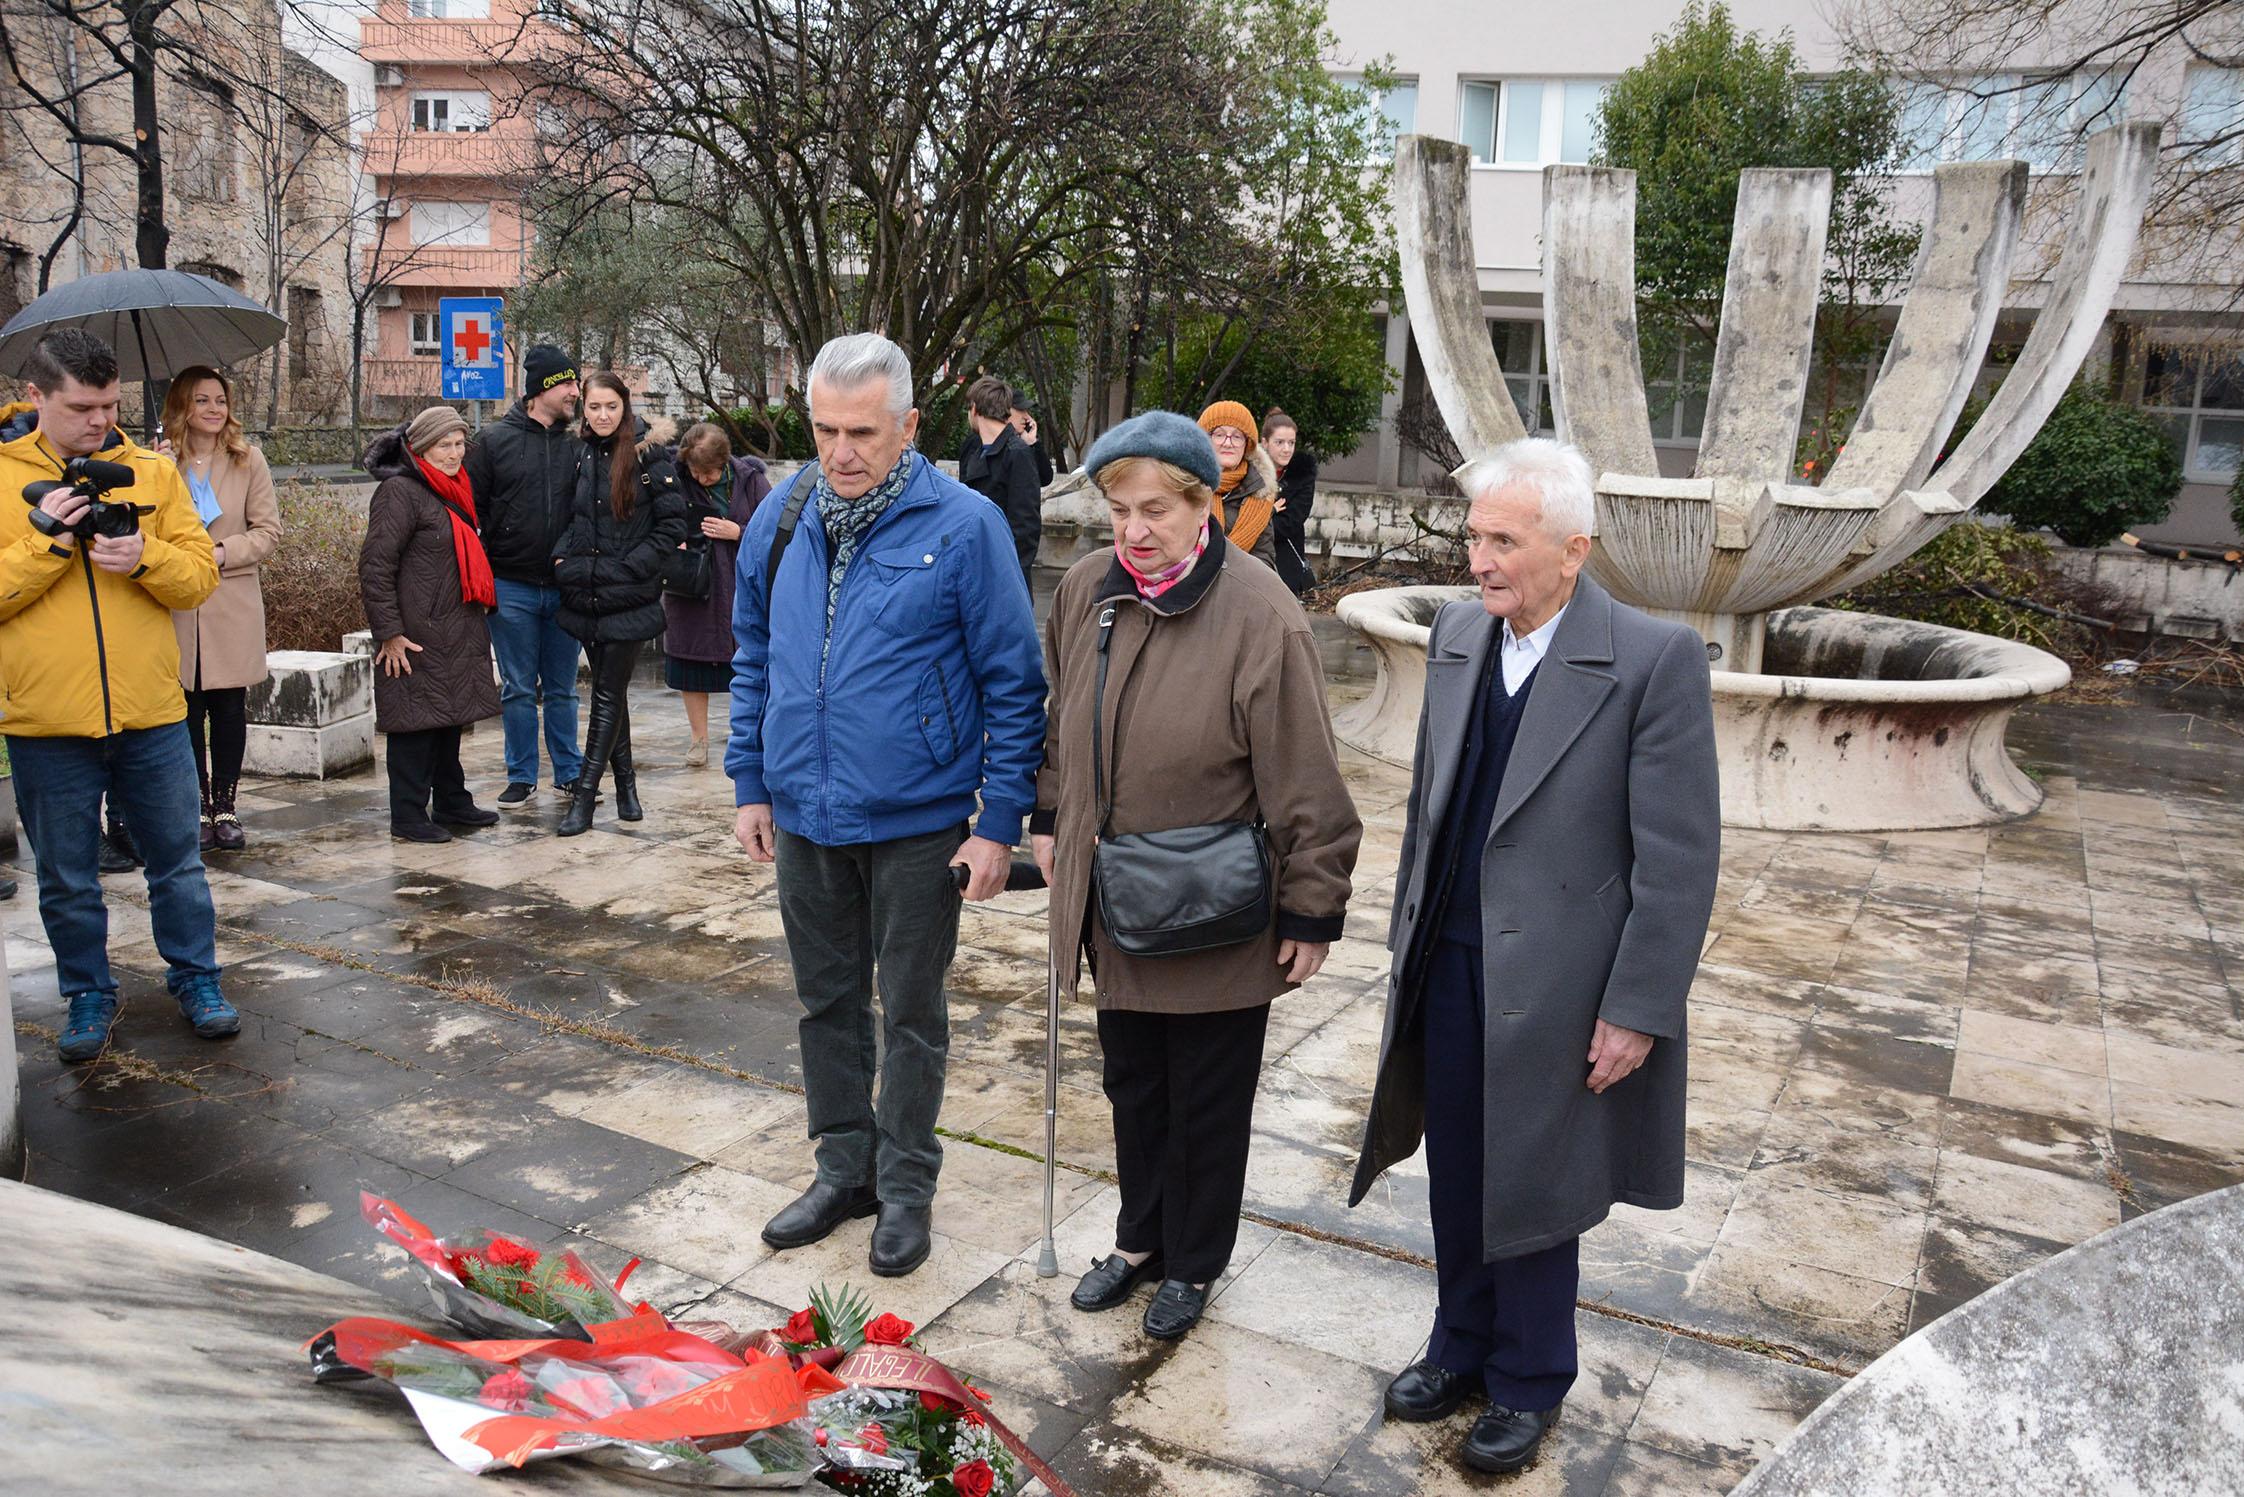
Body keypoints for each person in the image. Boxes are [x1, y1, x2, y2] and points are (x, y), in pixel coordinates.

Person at [1348, 438, 1720, 1474]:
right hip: (1452, 958)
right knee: (1458, 1165)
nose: (1480, 560)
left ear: (1572, 550)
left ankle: (1527, 1379)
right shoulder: (1462, 637)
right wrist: (1406, 941)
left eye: (1503, 540)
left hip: (1564, 981)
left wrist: (1638, 1006)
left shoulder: (1653, 659)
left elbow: (1680, 860)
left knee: (1535, 1178)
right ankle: (1458, 1345)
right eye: (1474, 536)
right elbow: (1432, 807)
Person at [1029, 410, 1360, 1341]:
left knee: (1207, 1096)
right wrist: (1053, 815)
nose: (1134, 531)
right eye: (1120, 509)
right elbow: (1063, 718)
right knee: (1133, 1084)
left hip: (1213, 905)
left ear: (1204, 505)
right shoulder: (1089, 589)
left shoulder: (1261, 611)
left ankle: (1196, 1260)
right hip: (1112, 896)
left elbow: (1307, 775)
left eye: (1156, 511)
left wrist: (1313, 904)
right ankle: (1143, 1241)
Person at [730, 332, 1044, 1278]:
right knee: (826, 1002)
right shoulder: (781, 519)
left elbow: (1014, 683)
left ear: (908, 425)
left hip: (917, 821)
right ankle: (844, 1168)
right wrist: (750, 780)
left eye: (861, 431)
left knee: (909, 1010)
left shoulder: (966, 525)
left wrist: (999, 823)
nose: (839, 451)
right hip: (803, 813)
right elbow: (754, 654)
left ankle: (906, 1187)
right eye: (823, 429)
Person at [0, 328, 236, 1061]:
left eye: (109, 405)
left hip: (153, 712)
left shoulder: (151, 473)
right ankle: (88, 995)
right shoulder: (2, 477)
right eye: (81, 407)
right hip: (46, 720)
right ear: (35, 397)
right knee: (68, 879)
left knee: (179, 865)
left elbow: (199, 577)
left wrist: (144, 557)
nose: (100, 421)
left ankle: (196, 978)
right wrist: (46, 541)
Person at [358, 407, 503, 843]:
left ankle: (452, 801)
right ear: (420, 447)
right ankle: (407, 814)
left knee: (447, 719)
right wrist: (389, 632)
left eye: (460, 444)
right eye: (444, 445)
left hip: (455, 626)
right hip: (414, 633)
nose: (454, 454)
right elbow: (375, 565)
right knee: (414, 725)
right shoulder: (400, 491)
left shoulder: (453, 488)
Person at [552, 373, 688, 837]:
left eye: (611, 407)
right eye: (594, 407)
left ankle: (586, 800)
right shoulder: (581, 453)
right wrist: (563, 555)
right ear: (583, 410)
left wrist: (633, 566)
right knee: (614, 695)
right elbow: (572, 517)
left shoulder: (651, 454)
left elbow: (674, 526)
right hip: (586, 594)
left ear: (625, 407)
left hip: (628, 597)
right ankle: (627, 789)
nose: (603, 415)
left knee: (606, 695)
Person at [157, 365, 281, 852]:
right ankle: (197, 806)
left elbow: (268, 531)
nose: (213, 409)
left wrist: (221, 553)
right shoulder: (160, 461)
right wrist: (157, 471)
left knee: (229, 707)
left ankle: (226, 806)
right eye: (202, 400)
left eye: (220, 401)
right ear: (182, 406)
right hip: (177, 604)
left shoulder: (248, 460)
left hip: (230, 598)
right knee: (185, 709)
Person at [465, 344, 585, 807]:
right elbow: (469, 511)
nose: (576, 391)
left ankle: (569, 772)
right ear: (541, 390)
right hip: (510, 586)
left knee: (562, 688)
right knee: (517, 688)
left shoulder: (578, 445)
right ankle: (522, 775)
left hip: (564, 589)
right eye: (568, 384)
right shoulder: (494, 442)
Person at [662, 422, 768, 769]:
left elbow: (778, 526)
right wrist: (670, 538)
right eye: (695, 471)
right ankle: (699, 740)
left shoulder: (750, 480)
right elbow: (652, 519)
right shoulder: (671, 479)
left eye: (708, 473)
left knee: (748, 668)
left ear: (725, 463)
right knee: (690, 663)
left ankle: (749, 738)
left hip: (740, 587)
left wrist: (738, 531)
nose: (701, 478)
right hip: (691, 587)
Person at [955, 375, 1043, 584]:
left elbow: (1026, 526)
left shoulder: (1017, 452)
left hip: (1002, 577)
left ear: (975, 409)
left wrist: (1008, 578)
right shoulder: (974, 450)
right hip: (975, 568)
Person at [1195, 401, 1280, 568]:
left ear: (1246, 444)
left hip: (1240, 588)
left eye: (1237, 436)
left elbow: (1265, 560)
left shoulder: (1260, 494)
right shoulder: (1183, 488)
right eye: (1219, 434)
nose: (1228, 443)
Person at [1263, 407, 1317, 597]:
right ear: (1265, 443)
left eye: (1291, 443)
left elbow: (1293, 521)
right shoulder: (1250, 473)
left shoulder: (1302, 475)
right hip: (1250, 557)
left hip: (1286, 560)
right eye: (1279, 442)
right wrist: (1271, 511)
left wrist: (1260, 520)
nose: (1287, 449)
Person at [1009, 395, 1054, 487]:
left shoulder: (1020, 444)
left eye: (1026, 411)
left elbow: (1045, 478)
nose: (1027, 417)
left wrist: (1032, 442)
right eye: (1021, 410)